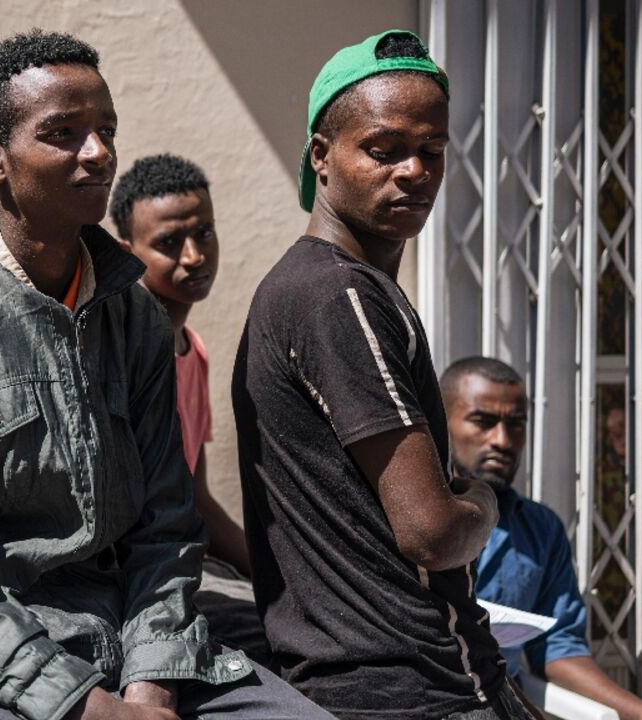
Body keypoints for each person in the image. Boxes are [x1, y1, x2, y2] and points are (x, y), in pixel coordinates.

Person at [0, 30, 331, 720]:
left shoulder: (133, 316)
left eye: (105, 130)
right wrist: (85, 706)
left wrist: (150, 683)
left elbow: (166, 526)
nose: (99, 152)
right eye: (64, 134)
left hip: (131, 642)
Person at [231, 30, 534, 719]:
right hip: (414, 689)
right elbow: (431, 532)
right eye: (383, 149)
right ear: (321, 156)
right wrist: (483, 500)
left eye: (431, 152)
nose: (413, 171)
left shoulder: (332, 288)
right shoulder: (337, 293)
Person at [109, 153, 267, 664]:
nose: (195, 256)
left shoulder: (191, 350)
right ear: (126, 250)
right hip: (133, 588)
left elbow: (193, 496)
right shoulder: (120, 353)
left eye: (205, 233)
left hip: (184, 566)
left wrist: (265, 565)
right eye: (169, 244)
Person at [443, 357, 642, 720]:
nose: (502, 440)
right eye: (483, 422)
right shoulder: (411, 518)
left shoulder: (541, 529)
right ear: (443, 422)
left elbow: (559, 648)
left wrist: (637, 713)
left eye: (516, 424)